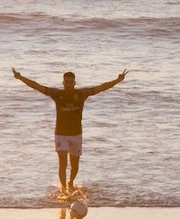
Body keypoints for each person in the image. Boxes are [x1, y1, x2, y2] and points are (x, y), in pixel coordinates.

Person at [11, 67, 127, 196]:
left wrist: (117, 80)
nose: (69, 84)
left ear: (74, 83)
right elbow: (37, 86)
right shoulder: (57, 94)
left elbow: (101, 88)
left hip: (76, 134)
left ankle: (70, 182)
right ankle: (63, 189)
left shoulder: (82, 94)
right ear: (63, 83)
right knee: (62, 162)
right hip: (61, 134)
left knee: (75, 164)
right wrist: (20, 77)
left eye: (71, 82)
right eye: (67, 82)